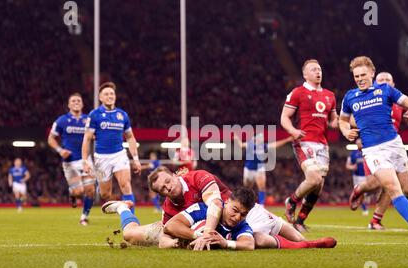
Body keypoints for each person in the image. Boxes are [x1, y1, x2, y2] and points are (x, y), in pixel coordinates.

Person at [101, 167, 337, 250]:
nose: (167, 188)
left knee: (269, 230)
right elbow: (168, 230)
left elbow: (214, 203)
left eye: (167, 182)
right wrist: (174, 241)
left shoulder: (198, 177)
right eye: (162, 189)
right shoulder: (169, 205)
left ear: (174, 175)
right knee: (131, 235)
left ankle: (302, 242)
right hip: (198, 224)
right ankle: (123, 209)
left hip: (232, 212)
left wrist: (205, 234)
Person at [339, 56, 408, 238]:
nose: (360, 79)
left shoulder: (386, 90)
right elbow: (342, 120)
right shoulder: (350, 97)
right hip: (372, 150)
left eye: (363, 74)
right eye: (356, 76)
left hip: (394, 145)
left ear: (372, 73)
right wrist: (346, 131)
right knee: (391, 186)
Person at [280, 59, 338, 232]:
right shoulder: (298, 92)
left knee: (318, 185)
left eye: (319, 69)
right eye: (313, 69)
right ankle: (291, 201)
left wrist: (345, 124)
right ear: (305, 74)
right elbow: (284, 117)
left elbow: (333, 121)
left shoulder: (330, 95)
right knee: (314, 178)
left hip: (322, 144)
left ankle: (300, 221)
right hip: (303, 141)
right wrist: (293, 130)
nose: (317, 72)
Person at [82, 82, 141, 212]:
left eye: (112, 93)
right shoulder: (94, 115)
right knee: (105, 194)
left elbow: (130, 137)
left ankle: (132, 221)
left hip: (119, 155)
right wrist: (85, 161)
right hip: (101, 158)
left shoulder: (122, 115)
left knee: (126, 184)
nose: (110, 96)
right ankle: (108, 195)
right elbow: (87, 139)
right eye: (106, 94)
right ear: (100, 98)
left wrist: (136, 158)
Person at [48, 93, 96, 225]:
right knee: (79, 191)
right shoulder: (61, 120)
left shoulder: (88, 120)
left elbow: (95, 135)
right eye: (73, 101)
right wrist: (60, 150)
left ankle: (84, 217)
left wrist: (95, 137)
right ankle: (72, 194)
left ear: (82, 104)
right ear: (69, 105)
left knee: (90, 190)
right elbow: (50, 138)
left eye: (78, 100)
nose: (76, 102)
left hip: (86, 160)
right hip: (70, 162)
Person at [161, 187, 257, 250]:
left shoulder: (242, 225)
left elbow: (249, 244)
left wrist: (226, 243)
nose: (237, 218)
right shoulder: (204, 209)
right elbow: (169, 226)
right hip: (161, 226)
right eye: (235, 210)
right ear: (227, 201)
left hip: (178, 237)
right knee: (160, 238)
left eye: (243, 214)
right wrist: (201, 236)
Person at [234, 132, 293, 206]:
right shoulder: (250, 145)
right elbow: (241, 145)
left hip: (259, 168)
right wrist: (236, 139)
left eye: (261, 138)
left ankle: (262, 205)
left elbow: (275, 145)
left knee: (262, 187)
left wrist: (287, 140)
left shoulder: (263, 146)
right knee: (247, 188)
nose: (261, 139)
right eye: (260, 138)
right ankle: (245, 202)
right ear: (256, 139)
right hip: (249, 169)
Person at [345, 138, 369, 216]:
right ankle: (364, 208)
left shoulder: (368, 152)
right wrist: (352, 167)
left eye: (360, 143)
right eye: (357, 144)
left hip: (367, 176)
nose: (359, 145)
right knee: (360, 193)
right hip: (357, 176)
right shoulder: (353, 154)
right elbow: (347, 165)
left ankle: (364, 206)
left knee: (365, 194)